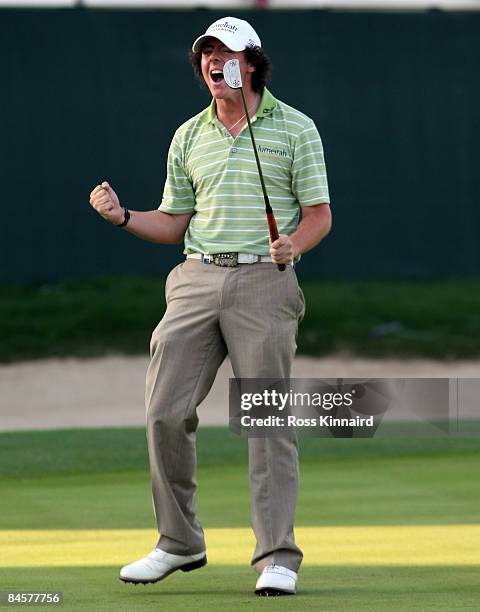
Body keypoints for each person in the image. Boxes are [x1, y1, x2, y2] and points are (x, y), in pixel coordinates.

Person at [89, 16, 331, 596]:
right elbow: (174, 223)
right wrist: (123, 217)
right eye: (205, 54)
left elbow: (319, 214)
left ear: (250, 63)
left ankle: (277, 556)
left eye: (225, 54)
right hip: (195, 279)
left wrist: (290, 245)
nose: (212, 63)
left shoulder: (295, 128)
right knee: (164, 412)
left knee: (265, 419)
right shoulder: (188, 135)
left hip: (264, 282)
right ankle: (179, 541)